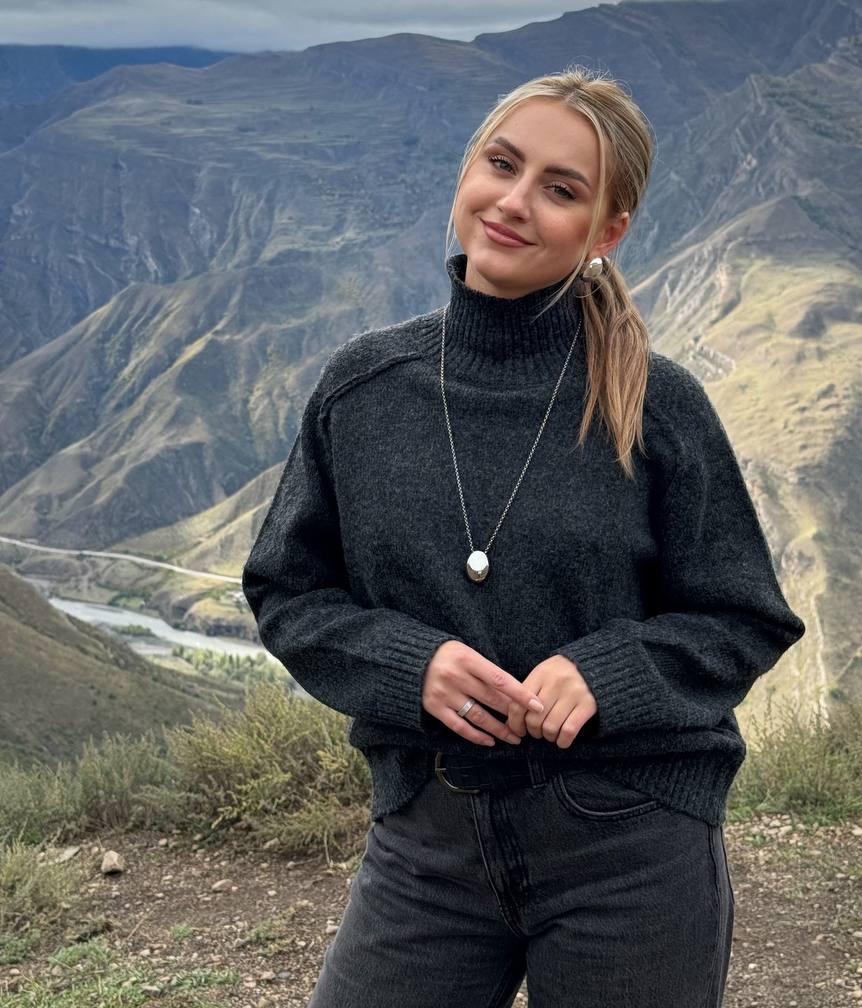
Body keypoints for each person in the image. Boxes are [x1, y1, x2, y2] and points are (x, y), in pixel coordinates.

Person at [241, 67, 806, 1007]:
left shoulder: (656, 406)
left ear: (606, 231)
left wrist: (610, 673)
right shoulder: (364, 391)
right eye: (502, 165)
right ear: (467, 170)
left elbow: (745, 618)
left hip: (633, 847)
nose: (514, 202)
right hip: (427, 838)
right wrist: (408, 665)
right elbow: (286, 591)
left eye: (561, 188)